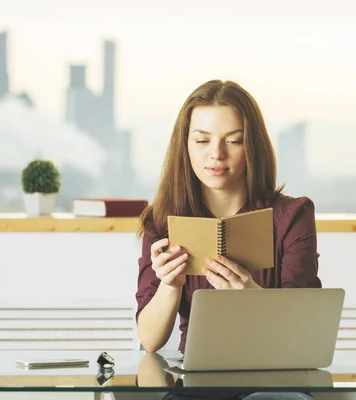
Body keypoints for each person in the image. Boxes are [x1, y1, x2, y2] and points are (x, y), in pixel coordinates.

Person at [135, 80, 321, 400]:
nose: (216, 154)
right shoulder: (163, 221)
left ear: (252, 147)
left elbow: (304, 332)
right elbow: (150, 342)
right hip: (195, 381)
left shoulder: (292, 215)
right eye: (202, 140)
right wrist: (170, 285)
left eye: (233, 141)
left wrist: (251, 296)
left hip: (276, 378)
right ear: (185, 145)